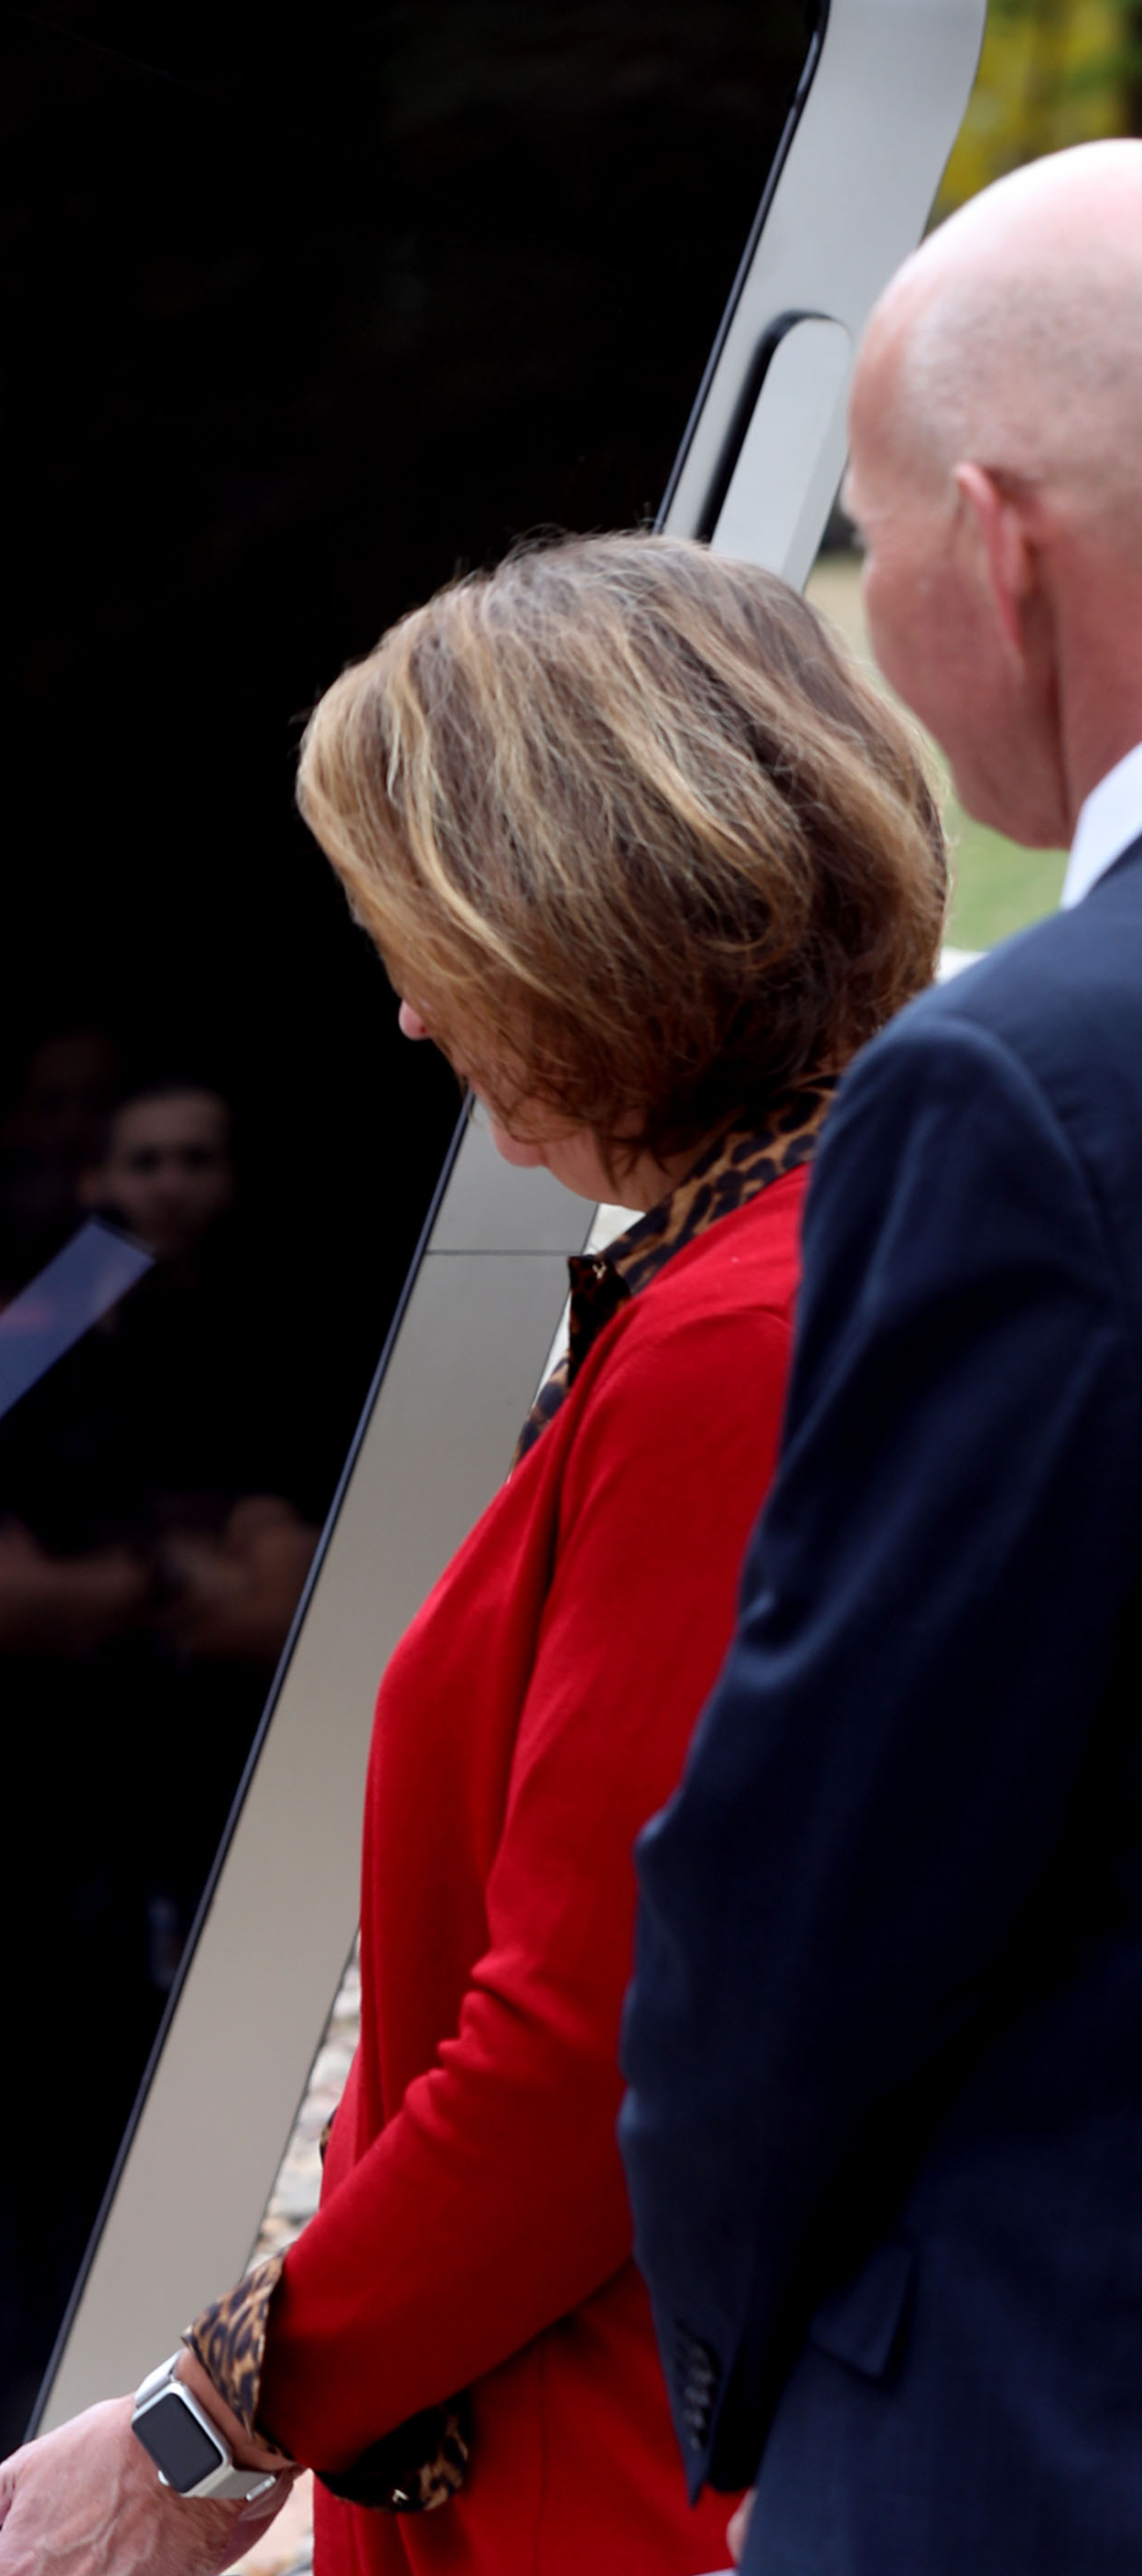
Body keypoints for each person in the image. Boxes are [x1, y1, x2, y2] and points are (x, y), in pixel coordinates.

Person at [0, 533, 945, 2575]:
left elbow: (587, 2044)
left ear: (576, 936)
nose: (398, 1011)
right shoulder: (804, 1255)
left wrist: (209, 2427)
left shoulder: (749, 1332)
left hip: (600, 2484)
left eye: (422, 939)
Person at [620, 139, 1142, 2571]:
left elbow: (817, 1874)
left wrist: (727, 2359)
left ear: (994, 538)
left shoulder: (1027, 1086)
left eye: (863, 541)